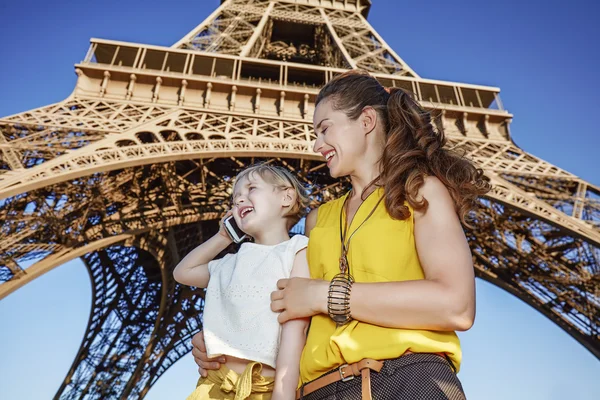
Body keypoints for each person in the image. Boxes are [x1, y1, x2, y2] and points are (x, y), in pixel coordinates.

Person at [191, 70, 491, 399]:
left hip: (409, 380)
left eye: (324, 128)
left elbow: (456, 305)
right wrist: (228, 344)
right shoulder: (317, 220)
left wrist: (323, 295)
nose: (317, 144)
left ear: (365, 121)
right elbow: (290, 312)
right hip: (321, 390)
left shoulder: (419, 192)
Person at [174, 164, 312, 400]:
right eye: (235, 198)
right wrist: (222, 237)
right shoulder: (230, 263)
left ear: (286, 197)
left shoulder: (297, 249)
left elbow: (295, 330)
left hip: (264, 387)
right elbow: (183, 272)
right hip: (214, 384)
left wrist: (283, 394)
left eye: (251, 189)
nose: (239, 200)